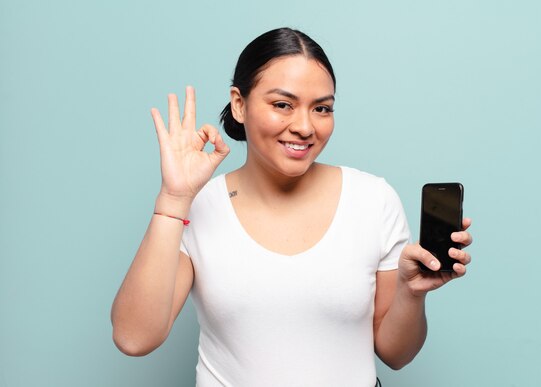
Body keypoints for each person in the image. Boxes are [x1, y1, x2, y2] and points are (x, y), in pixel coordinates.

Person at [111, 27, 473, 387]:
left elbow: (397, 354)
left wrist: (411, 293)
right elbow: (134, 338)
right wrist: (174, 200)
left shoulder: (373, 200)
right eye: (283, 104)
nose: (304, 126)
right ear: (239, 104)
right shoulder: (199, 205)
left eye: (322, 108)